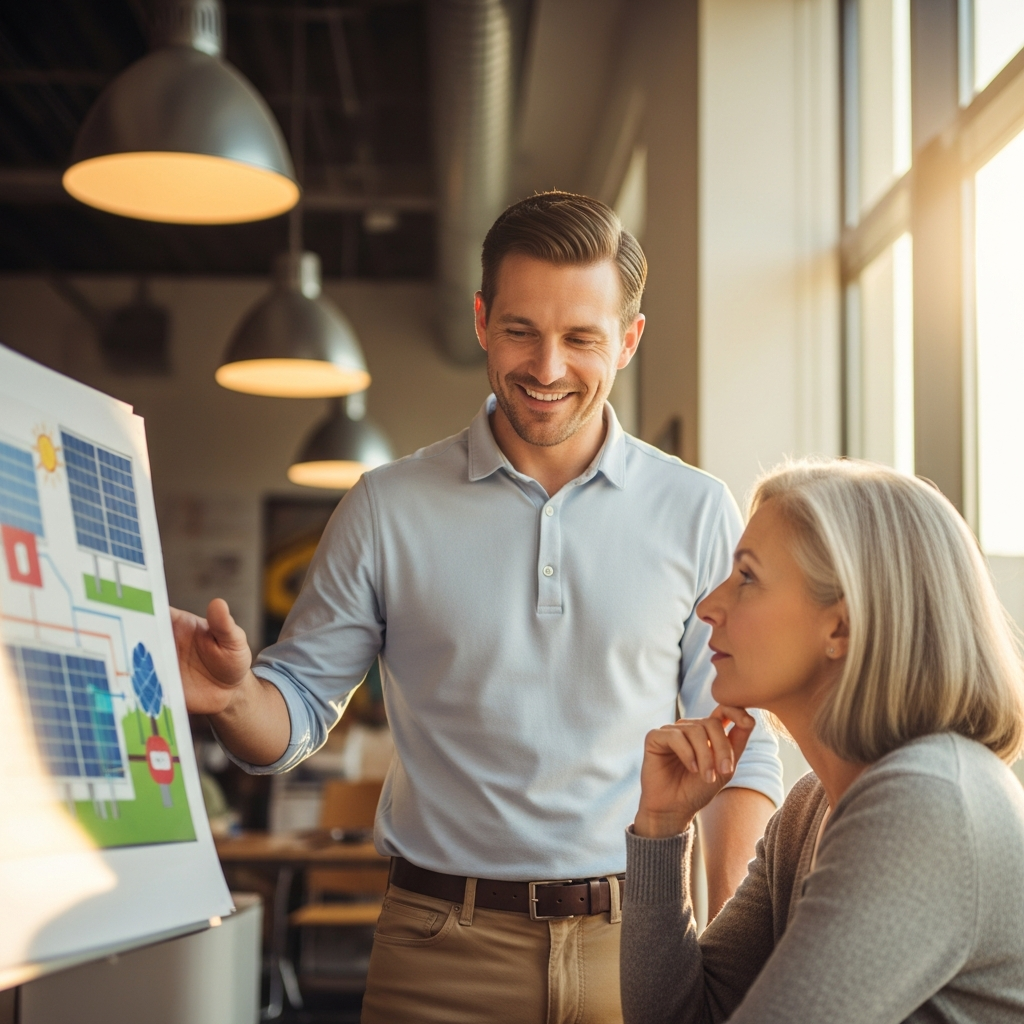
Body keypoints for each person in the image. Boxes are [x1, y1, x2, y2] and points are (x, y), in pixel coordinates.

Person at [173, 191, 783, 1023]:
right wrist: (234, 698)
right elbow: (299, 709)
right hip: (438, 955)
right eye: (521, 330)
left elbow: (739, 741)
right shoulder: (386, 506)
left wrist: (725, 958)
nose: (547, 368)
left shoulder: (697, 509)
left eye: (581, 338)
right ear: (481, 321)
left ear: (629, 340)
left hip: (639, 946)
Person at [620, 458, 1024, 1024]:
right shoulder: (810, 808)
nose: (708, 608)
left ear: (841, 626)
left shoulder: (929, 804)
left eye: (747, 577)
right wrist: (661, 827)